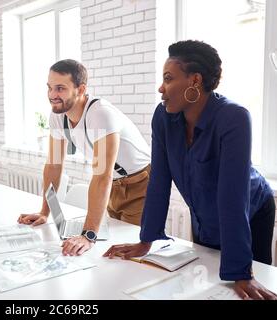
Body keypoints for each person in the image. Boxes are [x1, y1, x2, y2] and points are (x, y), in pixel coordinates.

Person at [103, 40, 277, 300]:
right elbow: (159, 181)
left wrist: (242, 272)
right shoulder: (163, 117)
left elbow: (232, 198)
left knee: (246, 289)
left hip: (251, 211)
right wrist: (145, 241)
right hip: (205, 214)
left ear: (195, 80)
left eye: (168, 78)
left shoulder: (234, 117)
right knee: (207, 278)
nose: (161, 88)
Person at [18, 59, 151, 256]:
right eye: (50, 88)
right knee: (113, 249)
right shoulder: (58, 115)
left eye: (60, 88)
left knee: (130, 251)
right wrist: (44, 213)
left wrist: (88, 235)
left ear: (80, 89)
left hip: (140, 183)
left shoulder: (100, 114)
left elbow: (101, 175)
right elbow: (54, 165)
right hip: (113, 185)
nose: (52, 95)